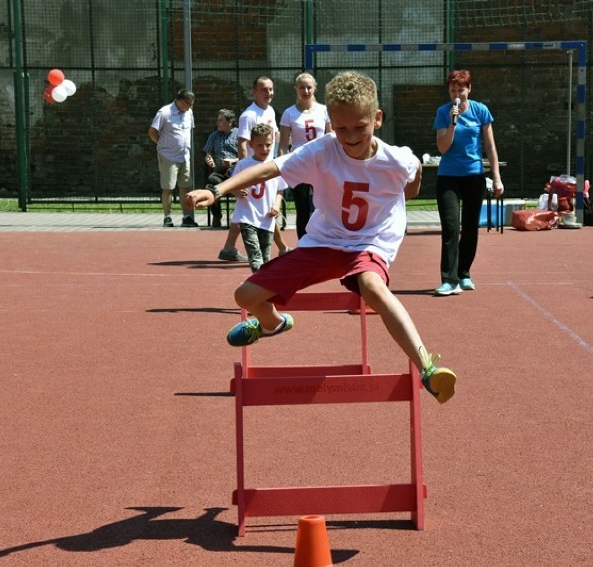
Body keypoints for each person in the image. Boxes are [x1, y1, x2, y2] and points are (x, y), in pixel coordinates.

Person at [187, 71, 457, 405]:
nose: (350, 136)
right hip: (324, 241)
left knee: (373, 287)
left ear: (377, 118)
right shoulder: (323, 150)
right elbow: (270, 168)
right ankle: (272, 324)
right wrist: (218, 190)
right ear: (330, 122)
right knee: (245, 296)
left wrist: (412, 184)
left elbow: (413, 178)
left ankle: (428, 368)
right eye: (341, 128)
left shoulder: (396, 158)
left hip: (370, 243)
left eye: (359, 127)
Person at [432, 69, 504, 296]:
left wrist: (496, 177)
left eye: (460, 89)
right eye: (452, 90)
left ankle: (464, 274)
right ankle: (448, 279)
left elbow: (490, 146)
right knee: (451, 227)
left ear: (469, 89)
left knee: (470, 227)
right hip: (448, 177)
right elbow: (442, 147)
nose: (456, 94)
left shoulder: (481, 111)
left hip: (474, 176)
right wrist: (453, 123)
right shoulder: (443, 112)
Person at [219, 76, 290, 261]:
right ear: (254, 92)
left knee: (256, 211)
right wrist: (244, 175)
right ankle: (281, 248)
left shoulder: (270, 111)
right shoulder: (249, 115)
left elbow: (275, 135)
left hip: (267, 168)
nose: (269, 93)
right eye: (264, 90)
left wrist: (277, 158)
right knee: (254, 211)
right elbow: (242, 144)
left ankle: (229, 248)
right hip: (254, 169)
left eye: (271, 89)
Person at [279, 72, 333, 239]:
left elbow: (330, 138)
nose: (306, 91)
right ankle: (303, 243)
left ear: (315, 88)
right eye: (302, 87)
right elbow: (282, 144)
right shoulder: (289, 113)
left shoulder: (324, 111)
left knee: (322, 206)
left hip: (320, 164)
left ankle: (322, 240)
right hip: (299, 164)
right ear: (296, 89)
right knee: (302, 207)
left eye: (309, 87)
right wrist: (282, 167)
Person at [230, 123, 287, 272]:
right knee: (256, 258)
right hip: (247, 217)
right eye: (260, 145)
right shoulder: (243, 164)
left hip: (266, 219)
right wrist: (237, 192)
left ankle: (261, 288)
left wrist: (276, 205)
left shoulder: (276, 165)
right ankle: (258, 285)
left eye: (268, 145)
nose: (264, 149)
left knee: (265, 258)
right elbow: (231, 186)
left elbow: (280, 190)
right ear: (251, 144)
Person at [149, 89, 199, 228]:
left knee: (185, 187)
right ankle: (167, 217)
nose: (190, 108)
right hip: (168, 156)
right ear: (181, 101)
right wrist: (162, 144)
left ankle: (186, 217)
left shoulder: (189, 112)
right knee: (168, 187)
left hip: (185, 155)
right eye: (188, 104)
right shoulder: (164, 112)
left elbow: (189, 131)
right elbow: (152, 131)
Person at [203, 109, 239, 228]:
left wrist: (234, 161)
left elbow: (246, 155)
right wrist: (209, 159)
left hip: (235, 169)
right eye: (218, 120)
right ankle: (217, 215)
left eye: (221, 120)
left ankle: (239, 216)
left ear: (230, 122)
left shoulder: (239, 134)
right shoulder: (214, 136)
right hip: (219, 170)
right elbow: (208, 153)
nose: (218, 123)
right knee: (211, 182)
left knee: (243, 183)